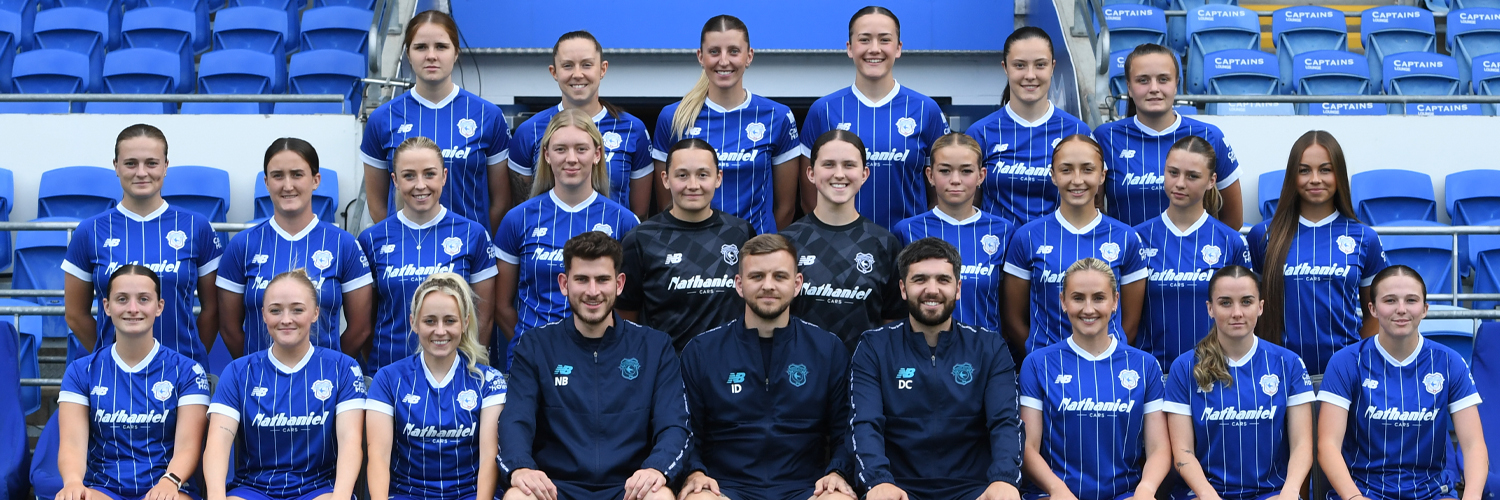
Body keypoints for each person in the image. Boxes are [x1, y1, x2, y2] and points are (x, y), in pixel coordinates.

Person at [498, 232, 689, 500]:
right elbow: (515, 419)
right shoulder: (535, 345)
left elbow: (674, 425)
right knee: (518, 496)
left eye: (602, 280)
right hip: (556, 487)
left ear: (619, 283)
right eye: (581, 279)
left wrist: (657, 468)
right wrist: (520, 467)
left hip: (629, 487)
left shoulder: (654, 347)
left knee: (659, 496)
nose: (592, 291)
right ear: (564, 284)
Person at [677, 234, 855, 500]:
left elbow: (847, 429)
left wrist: (838, 472)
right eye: (757, 276)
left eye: (780, 277)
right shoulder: (702, 350)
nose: (768, 286)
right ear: (739, 284)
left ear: (797, 284)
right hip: (724, 487)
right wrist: (695, 472)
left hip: (807, 487)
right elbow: (686, 430)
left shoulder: (828, 349)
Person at [848, 238, 1022, 500]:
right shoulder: (874, 346)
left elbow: (1005, 423)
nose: (932, 290)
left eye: (943, 279)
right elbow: (864, 423)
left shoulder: (989, 346)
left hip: (975, 489)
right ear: (903, 289)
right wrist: (877, 481)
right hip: (898, 488)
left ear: (958, 288)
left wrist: (1004, 479)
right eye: (920, 280)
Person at [1317, 265, 1489, 500]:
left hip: (1432, 493)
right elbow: (1327, 446)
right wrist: (1355, 498)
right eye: (1390, 300)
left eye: (1411, 300)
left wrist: (1471, 497)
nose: (1401, 309)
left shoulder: (1450, 362)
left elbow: (1473, 445)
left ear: (1425, 309)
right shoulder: (1345, 362)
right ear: (1373, 308)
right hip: (1364, 491)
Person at [64, 124, 222, 366]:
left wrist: (187, 358)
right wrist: (111, 352)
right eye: (130, 163)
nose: (141, 172)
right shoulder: (90, 231)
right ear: (116, 166)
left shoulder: (196, 226)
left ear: (166, 166)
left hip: (182, 370)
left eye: (151, 163)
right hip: (115, 373)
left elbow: (213, 310)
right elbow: (75, 315)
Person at [203, 270, 366, 500]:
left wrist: (340, 496)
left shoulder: (343, 369)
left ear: (315, 313)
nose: (286, 319)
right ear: (263, 315)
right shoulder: (239, 372)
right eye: (275, 310)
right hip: (253, 489)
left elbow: (350, 442)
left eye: (297, 309)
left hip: (319, 489)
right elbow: (218, 443)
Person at [1019, 258, 1170, 500]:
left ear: (1115, 302)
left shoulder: (1145, 365)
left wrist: (1146, 490)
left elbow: (1159, 448)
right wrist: (1057, 490)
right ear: (1063, 302)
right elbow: (1028, 448)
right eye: (1078, 298)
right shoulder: (1038, 364)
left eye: (1099, 298)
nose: (1088, 309)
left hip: (1124, 495)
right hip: (1053, 495)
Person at [496, 109, 640, 361]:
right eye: (561, 149)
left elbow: (629, 305)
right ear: (546, 155)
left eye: (581, 149)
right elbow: (501, 305)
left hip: (599, 360)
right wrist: (531, 346)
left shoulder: (624, 221)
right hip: (533, 360)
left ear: (597, 155)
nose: (571, 158)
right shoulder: (518, 219)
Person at [56, 265, 210, 500]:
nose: (133, 308)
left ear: (159, 307)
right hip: (103, 490)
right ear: (106, 306)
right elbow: (72, 445)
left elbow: (188, 447)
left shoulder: (188, 371)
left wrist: (171, 481)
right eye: (122, 299)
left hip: (168, 488)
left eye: (144, 299)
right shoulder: (81, 371)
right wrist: (73, 483)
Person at [1164, 266, 1315, 500]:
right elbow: (1183, 452)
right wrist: (1207, 495)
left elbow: (1302, 446)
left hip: (1272, 493)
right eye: (1225, 303)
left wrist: (1290, 493)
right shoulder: (1184, 367)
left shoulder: (1289, 364)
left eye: (1246, 302)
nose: (1237, 312)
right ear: (1210, 309)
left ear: (1260, 307)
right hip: (1203, 494)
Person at [1248, 130, 1387, 377]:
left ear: (1339, 175)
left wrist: (1355, 361)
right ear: (1292, 176)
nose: (1315, 179)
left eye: (1325, 169)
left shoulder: (1365, 238)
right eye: (1304, 170)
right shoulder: (1263, 235)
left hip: (1344, 377)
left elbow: (1376, 313)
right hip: (1278, 374)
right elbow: (1250, 310)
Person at [219, 138, 373, 358]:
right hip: (260, 384)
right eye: (278, 176)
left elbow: (360, 329)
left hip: (323, 384)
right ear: (266, 182)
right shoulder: (242, 245)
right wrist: (258, 367)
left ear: (315, 180)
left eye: (297, 174)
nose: (287, 185)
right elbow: (229, 329)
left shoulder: (344, 245)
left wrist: (328, 366)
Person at [651, 14, 803, 235]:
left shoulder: (777, 116)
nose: (723, 61)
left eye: (733, 51)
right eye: (714, 52)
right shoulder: (673, 117)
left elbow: (786, 207)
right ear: (700, 57)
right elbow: (666, 205)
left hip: (755, 254)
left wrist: (762, 247)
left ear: (749, 56)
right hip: (692, 252)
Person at [800, 6, 950, 230]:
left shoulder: (926, 109)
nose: (874, 49)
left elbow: (940, 192)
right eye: (864, 39)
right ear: (850, 48)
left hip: (908, 249)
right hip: (840, 249)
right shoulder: (823, 110)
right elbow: (809, 196)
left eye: (884, 40)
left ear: (898, 48)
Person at [361, 10, 511, 232]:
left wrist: (475, 242)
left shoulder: (487, 115)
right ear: (408, 54)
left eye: (441, 47)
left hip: (467, 254)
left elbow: (501, 203)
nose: (431, 55)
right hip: (405, 253)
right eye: (421, 47)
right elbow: (377, 205)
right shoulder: (383, 118)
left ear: (456, 53)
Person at [359, 136, 498, 373]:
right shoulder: (371, 239)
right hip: (388, 374)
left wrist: (468, 365)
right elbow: (366, 323)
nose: (420, 184)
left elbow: (483, 318)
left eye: (429, 174)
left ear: (444, 176)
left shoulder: (473, 234)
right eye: (409, 175)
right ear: (395, 181)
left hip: (456, 374)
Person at [1002, 135, 1147, 355]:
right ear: (1053, 175)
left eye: (1088, 170)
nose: (1077, 180)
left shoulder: (1126, 237)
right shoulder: (1027, 236)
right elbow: (1013, 319)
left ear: (1102, 176)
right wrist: (1041, 358)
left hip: (1107, 369)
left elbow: (1131, 323)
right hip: (1047, 369)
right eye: (1066, 170)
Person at [366, 273, 505, 500]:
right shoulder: (387, 379)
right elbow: (378, 456)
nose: (440, 331)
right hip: (407, 495)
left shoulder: (488, 380)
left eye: (450, 321)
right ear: (414, 323)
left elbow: (490, 456)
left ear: (465, 322)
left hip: (469, 495)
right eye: (430, 321)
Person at [619, 138, 754, 350]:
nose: (693, 185)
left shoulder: (741, 233)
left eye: (703, 174)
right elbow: (626, 318)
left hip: (730, 370)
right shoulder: (640, 239)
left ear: (718, 178)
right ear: (665, 179)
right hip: (666, 372)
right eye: (682, 175)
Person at [1093, 43, 1244, 229]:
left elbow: (1233, 221)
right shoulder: (1105, 138)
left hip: (1192, 257)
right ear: (1129, 88)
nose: (1154, 88)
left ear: (1176, 85)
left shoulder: (1210, 136)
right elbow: (1094, 210)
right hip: (1127, 257)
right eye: (1143, 80)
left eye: (1163, 79)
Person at [1134, 136, 1252, 370]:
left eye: (1192, 176)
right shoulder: (1136, 239)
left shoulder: (1232, 242)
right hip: (1154, 376)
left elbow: (1246, 319)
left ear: (1212, 181)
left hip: (1216, 374)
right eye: (1173, 173)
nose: (1179, 183)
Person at [508, 31, 654, 219]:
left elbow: (640, 213)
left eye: (586, 65)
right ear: (554, 72)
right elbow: (524, 207)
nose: (577, 74)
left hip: (612, 244)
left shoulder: (633, 129)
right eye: (568, 66)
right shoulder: (529, 131)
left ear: (602, 69)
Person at [782, 130, 905, 347]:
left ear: (865, 174)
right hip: (798, 374)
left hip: (864, 374)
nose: (839, 174)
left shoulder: (885, 243)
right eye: (828, 164)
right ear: (810, 173)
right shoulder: (787, 242)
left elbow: (893, 320)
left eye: (849, 165)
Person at [967, 27, 1091, 225]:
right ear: (1005, 68)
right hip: (997, 250)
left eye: (1040, 65)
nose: (1030, 75)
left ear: (1053, 67)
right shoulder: (980, 133)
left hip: (1056, 252)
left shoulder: (1077, 132)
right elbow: (969, 206)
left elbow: (1093, 204)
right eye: (1020, 65)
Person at [893, 132, 1015, 332]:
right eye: (945, 171)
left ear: (981, 176)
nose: (955, 180)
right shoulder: (907, 230)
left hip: (985, 355)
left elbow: (1009, 305)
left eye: (966, 171)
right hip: (921, 353)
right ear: (930, 175)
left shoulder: (1003, 231)